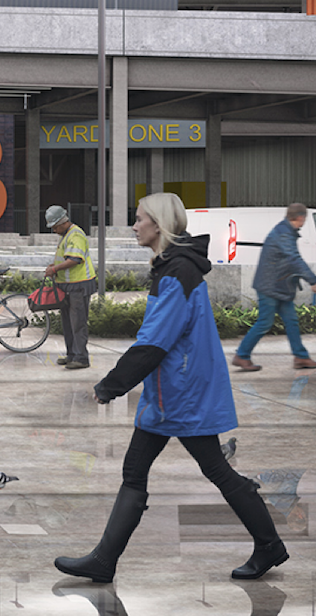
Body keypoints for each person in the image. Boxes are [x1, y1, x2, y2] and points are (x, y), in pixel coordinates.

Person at [54, 192, 287, 584]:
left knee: (212, 469)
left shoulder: (177, 272)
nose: (134, 225)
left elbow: (155, 341)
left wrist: (111, 385)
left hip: (181, 392)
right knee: (147, 470)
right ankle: (104, 560)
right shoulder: (173, 268)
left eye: (140, 218)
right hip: (173, 389)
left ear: (158, 225)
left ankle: (268, 543)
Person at [233, 202, 316, 372]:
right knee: (265, 322)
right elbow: (294, 259)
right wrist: (313, 280)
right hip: (270, 287)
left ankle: (301, 357)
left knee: (292, 321)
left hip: (280, 286)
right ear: (301, 217)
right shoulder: (284, 234)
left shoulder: (285, 230)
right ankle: (242, 355)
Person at [42, 205, 97, 370]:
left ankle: (81, 358)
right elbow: (66, 257)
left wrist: (54, 269)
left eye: (54, 226)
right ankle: (72, 354)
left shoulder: (76, 234)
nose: (53, 230)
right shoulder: (66, 235)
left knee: (77, 323)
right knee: (68, 323)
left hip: (78, 286)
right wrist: (55, 265)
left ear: (62, 222)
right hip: (67, 286)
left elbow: (75, 259)